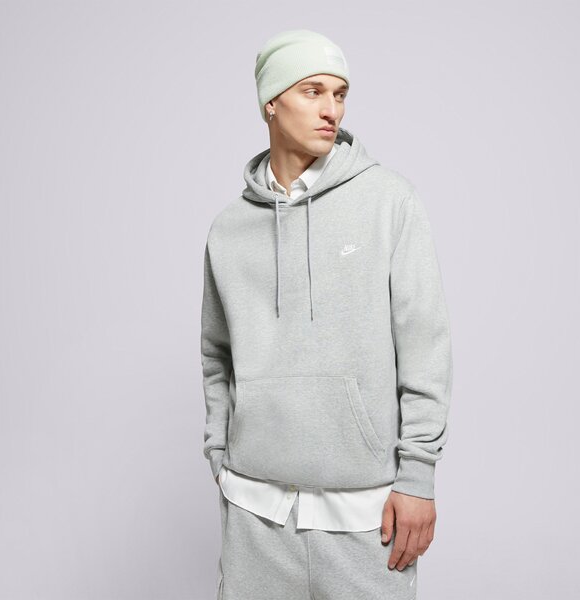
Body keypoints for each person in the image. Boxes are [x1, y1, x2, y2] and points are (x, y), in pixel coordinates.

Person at [201, 29, 453, 600]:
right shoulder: (228, 229)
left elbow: (425, 346)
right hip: (254, 514)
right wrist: (220, 452)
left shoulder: (389, 201)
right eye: (312, 91)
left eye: (339, 94)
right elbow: (216, 353)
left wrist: (418, 476)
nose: (331, 110)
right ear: (271, 102)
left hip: (366, 517)